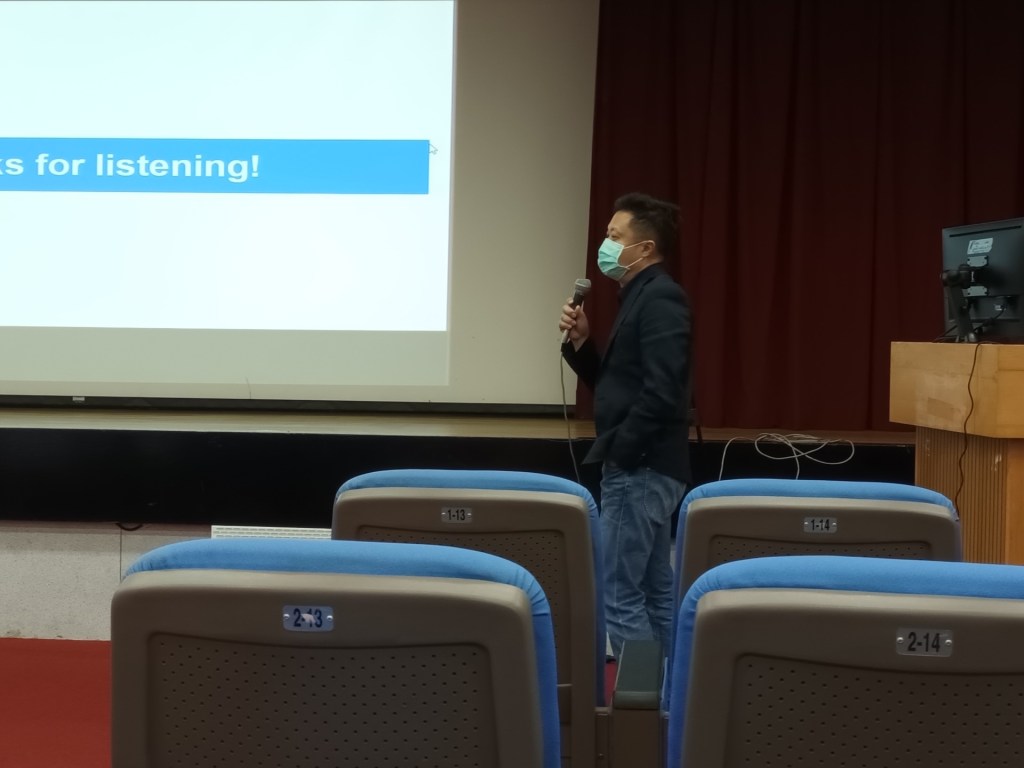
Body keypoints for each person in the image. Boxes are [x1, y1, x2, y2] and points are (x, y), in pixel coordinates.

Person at [559, 192, 692, 658]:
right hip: (646, 465)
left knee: (618, 595)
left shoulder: (660, 298)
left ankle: (641, 700)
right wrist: (582, 343)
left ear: (645, 248)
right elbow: (618, 386)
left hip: (640, 468)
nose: (606, 245)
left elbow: (664, 391)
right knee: (654, 591)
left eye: (615, 236)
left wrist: (623, 451)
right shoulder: (638, 296)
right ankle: (670, 694)